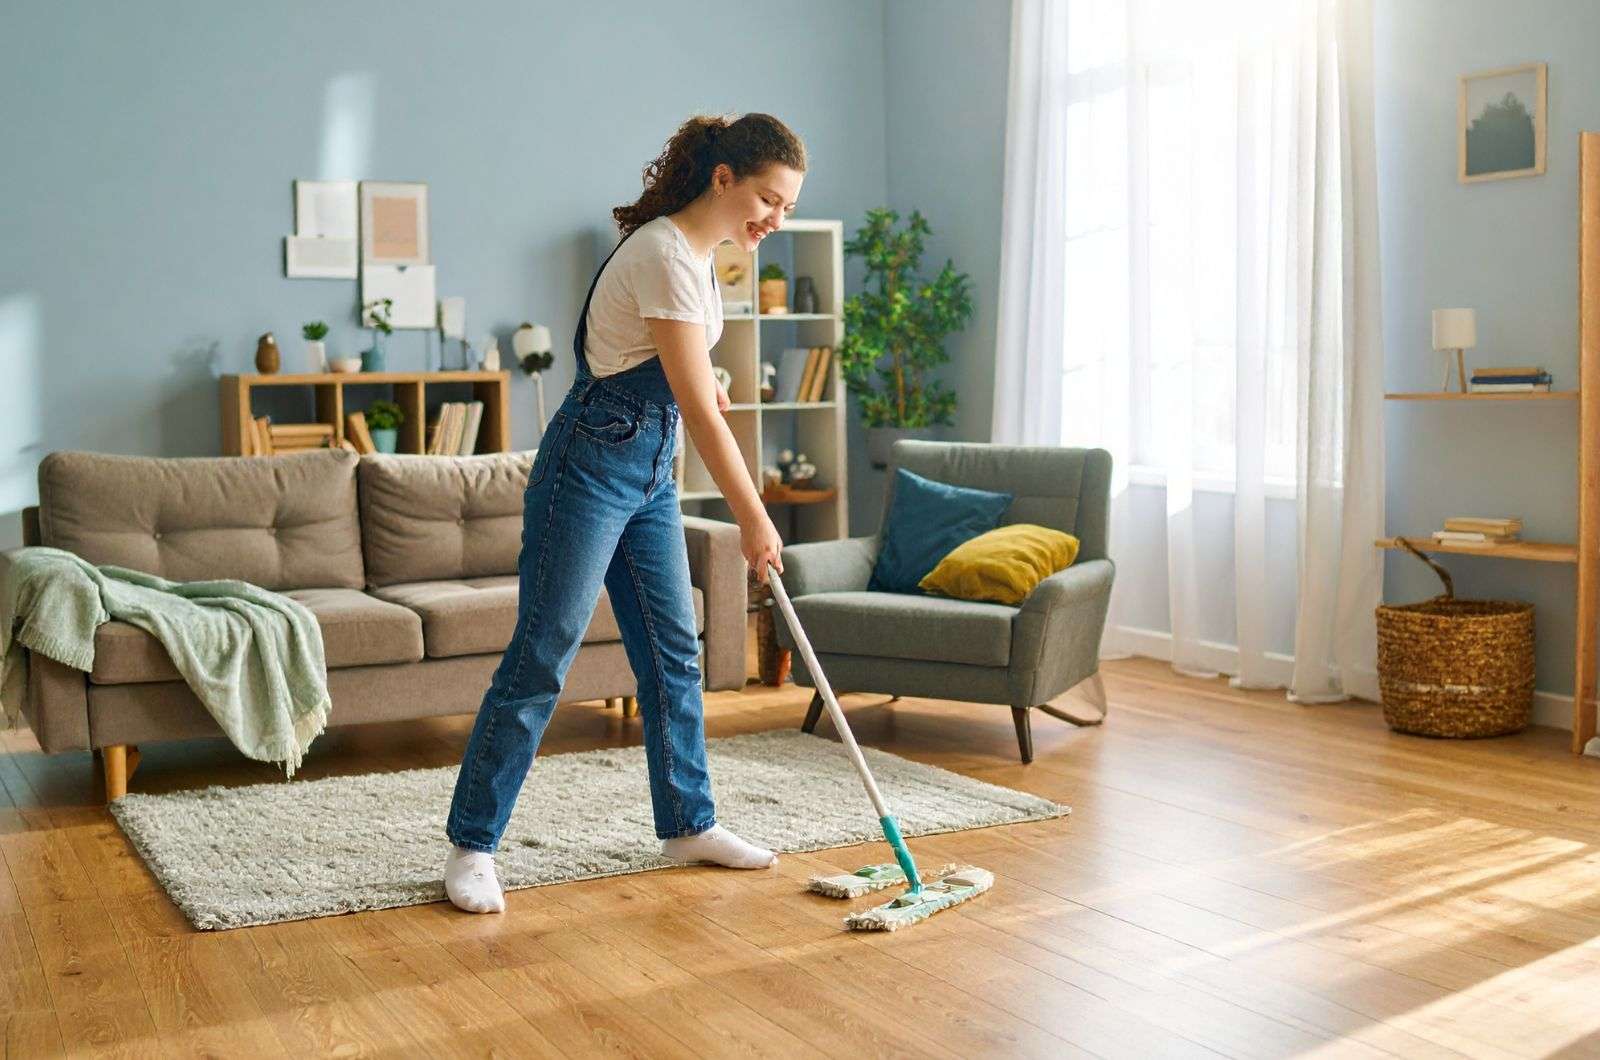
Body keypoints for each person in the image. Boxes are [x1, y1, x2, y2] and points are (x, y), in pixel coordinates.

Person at [442, 113, 806, 913]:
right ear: (725, 179)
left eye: (785, 209)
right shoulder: (665, 253)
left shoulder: (703, 258)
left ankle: (687, 822)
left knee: (673, 650)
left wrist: (702, 380)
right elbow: (697, 411)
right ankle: (473, 844)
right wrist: (754, 516)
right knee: (544, 653)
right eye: (769, 202)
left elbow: (674, 372)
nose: (775, 222)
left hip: (650, 473)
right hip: (588, 466)